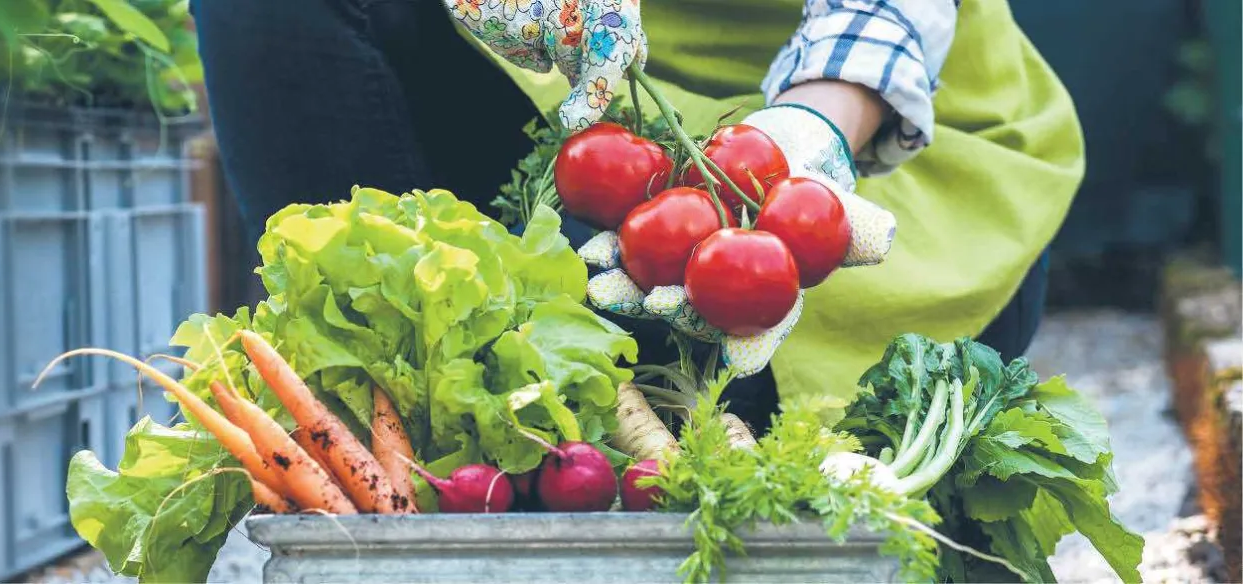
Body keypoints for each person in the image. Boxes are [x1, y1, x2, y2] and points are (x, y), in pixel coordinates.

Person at [188, 0, 1079, 431]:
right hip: (585, 109)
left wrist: (813, 131)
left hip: (883, 136)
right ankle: (383, 444)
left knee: (649, 354)